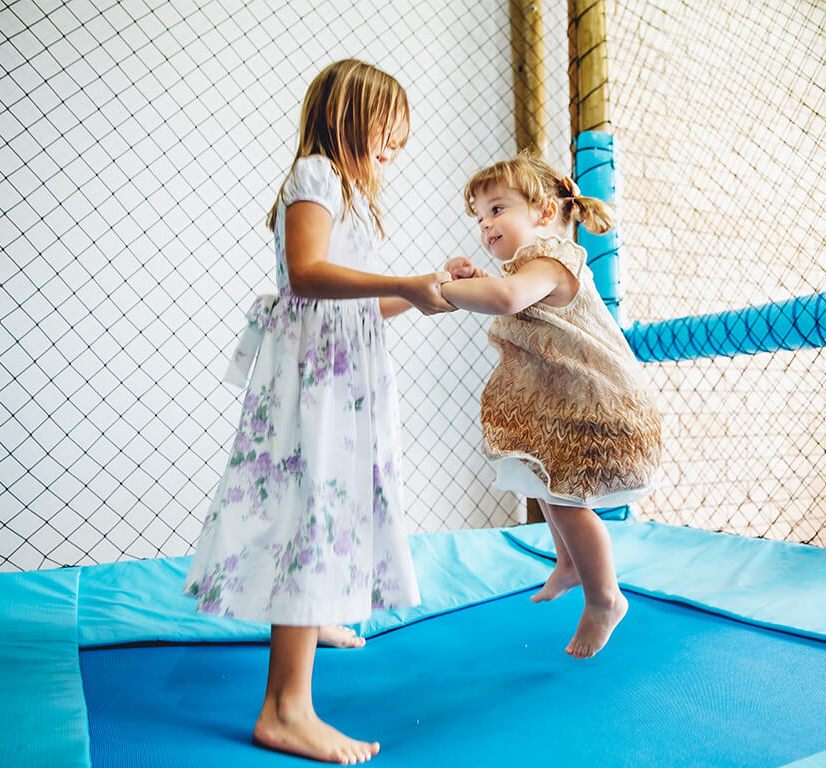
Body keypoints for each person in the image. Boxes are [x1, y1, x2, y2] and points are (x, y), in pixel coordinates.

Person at [184, 59, 453, 764]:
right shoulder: (316, 175)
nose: (394, 149)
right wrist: (403, 281)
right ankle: (284, 709)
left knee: (333, 507)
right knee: (309, 513)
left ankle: (316, 612)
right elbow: (306, 274)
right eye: (385, 132)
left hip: (343, 377)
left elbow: (362, 305)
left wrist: (431, 291)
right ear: (348, 119)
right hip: (316, 382)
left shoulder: (349, 194)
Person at [441, 152, 662, 659]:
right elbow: (507, 292)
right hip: (565, 407)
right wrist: (476, 275)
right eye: (479, 216)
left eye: (497, 209)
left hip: (599, 407)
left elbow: (505, 298)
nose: (485, 224)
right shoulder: (529, 267)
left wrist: (454, 289)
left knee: (566, 499)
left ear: (543, 212)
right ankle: (568, 565)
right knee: (545, 478)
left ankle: (605, 598)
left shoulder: (551, 261)